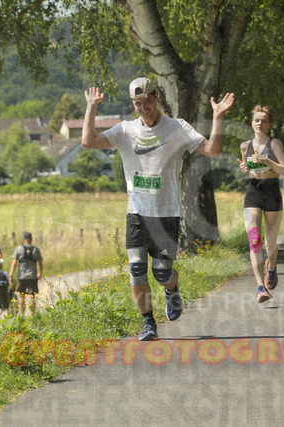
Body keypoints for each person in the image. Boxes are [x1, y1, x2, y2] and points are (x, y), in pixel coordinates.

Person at [81, 77, 234, 341]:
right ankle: (149, 323)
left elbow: (213, 150)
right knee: (137, 269)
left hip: (166, 213)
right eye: (137, 103)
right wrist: (91, 107)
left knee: (162, 272)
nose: (143, 108)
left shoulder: (177, 128)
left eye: (147, 102)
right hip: (137, 213)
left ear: (156, 97)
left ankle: (172, 289)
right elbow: (88, 141)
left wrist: (217, 117)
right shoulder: (125, 130)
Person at [237, 105, 284, 303]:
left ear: (269, 124)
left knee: (270, 243)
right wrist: (244, 167)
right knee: (254, 240)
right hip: (253, 192)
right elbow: (246, 166)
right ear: (252, 123)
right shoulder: (245, 146)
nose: (260, 123)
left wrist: (267, 161)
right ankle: (260, 287)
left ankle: (272, 267)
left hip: (272, 192)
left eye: (264, 121)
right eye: (257, 120)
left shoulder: (274, 144)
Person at [9, 232, 43, 316]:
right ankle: (32, 316)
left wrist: (10, 276)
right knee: (31, 297)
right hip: (32, 276)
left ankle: (22, 316)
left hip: (22, 276)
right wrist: (40, 274)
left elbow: (14, 263)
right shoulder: (36, 250)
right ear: (31, 240)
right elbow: (40, 263)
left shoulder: (18, 249)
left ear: (24, 240)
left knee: (21, 297)